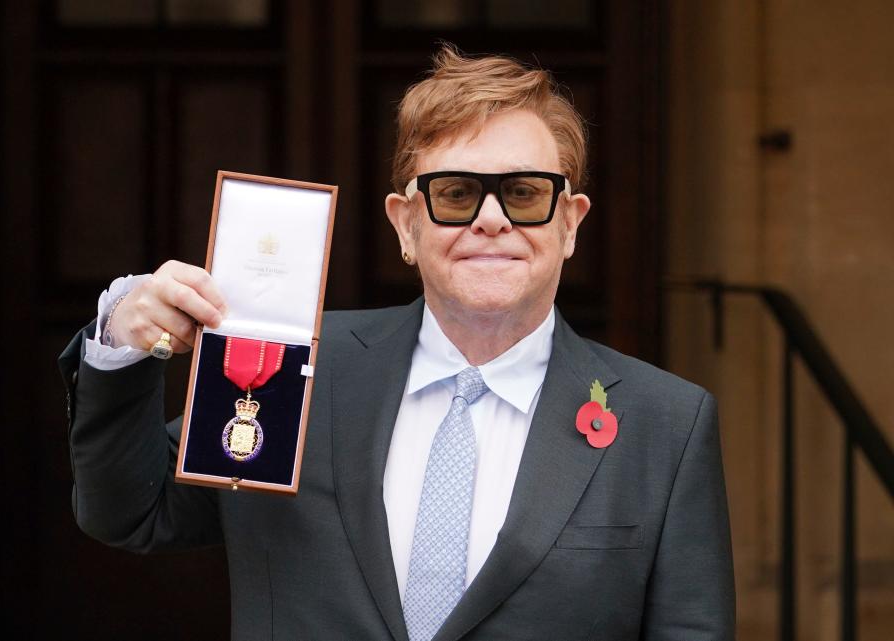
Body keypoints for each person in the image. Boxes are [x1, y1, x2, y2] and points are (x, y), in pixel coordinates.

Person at [60, 46, 735, 641]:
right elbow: (131, 510)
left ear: (570, 223)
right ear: (405, 225)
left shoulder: (665, 425)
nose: (492, 220)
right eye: (456, 193)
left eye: (526, 193)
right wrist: (123, 336)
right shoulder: (301, 370)